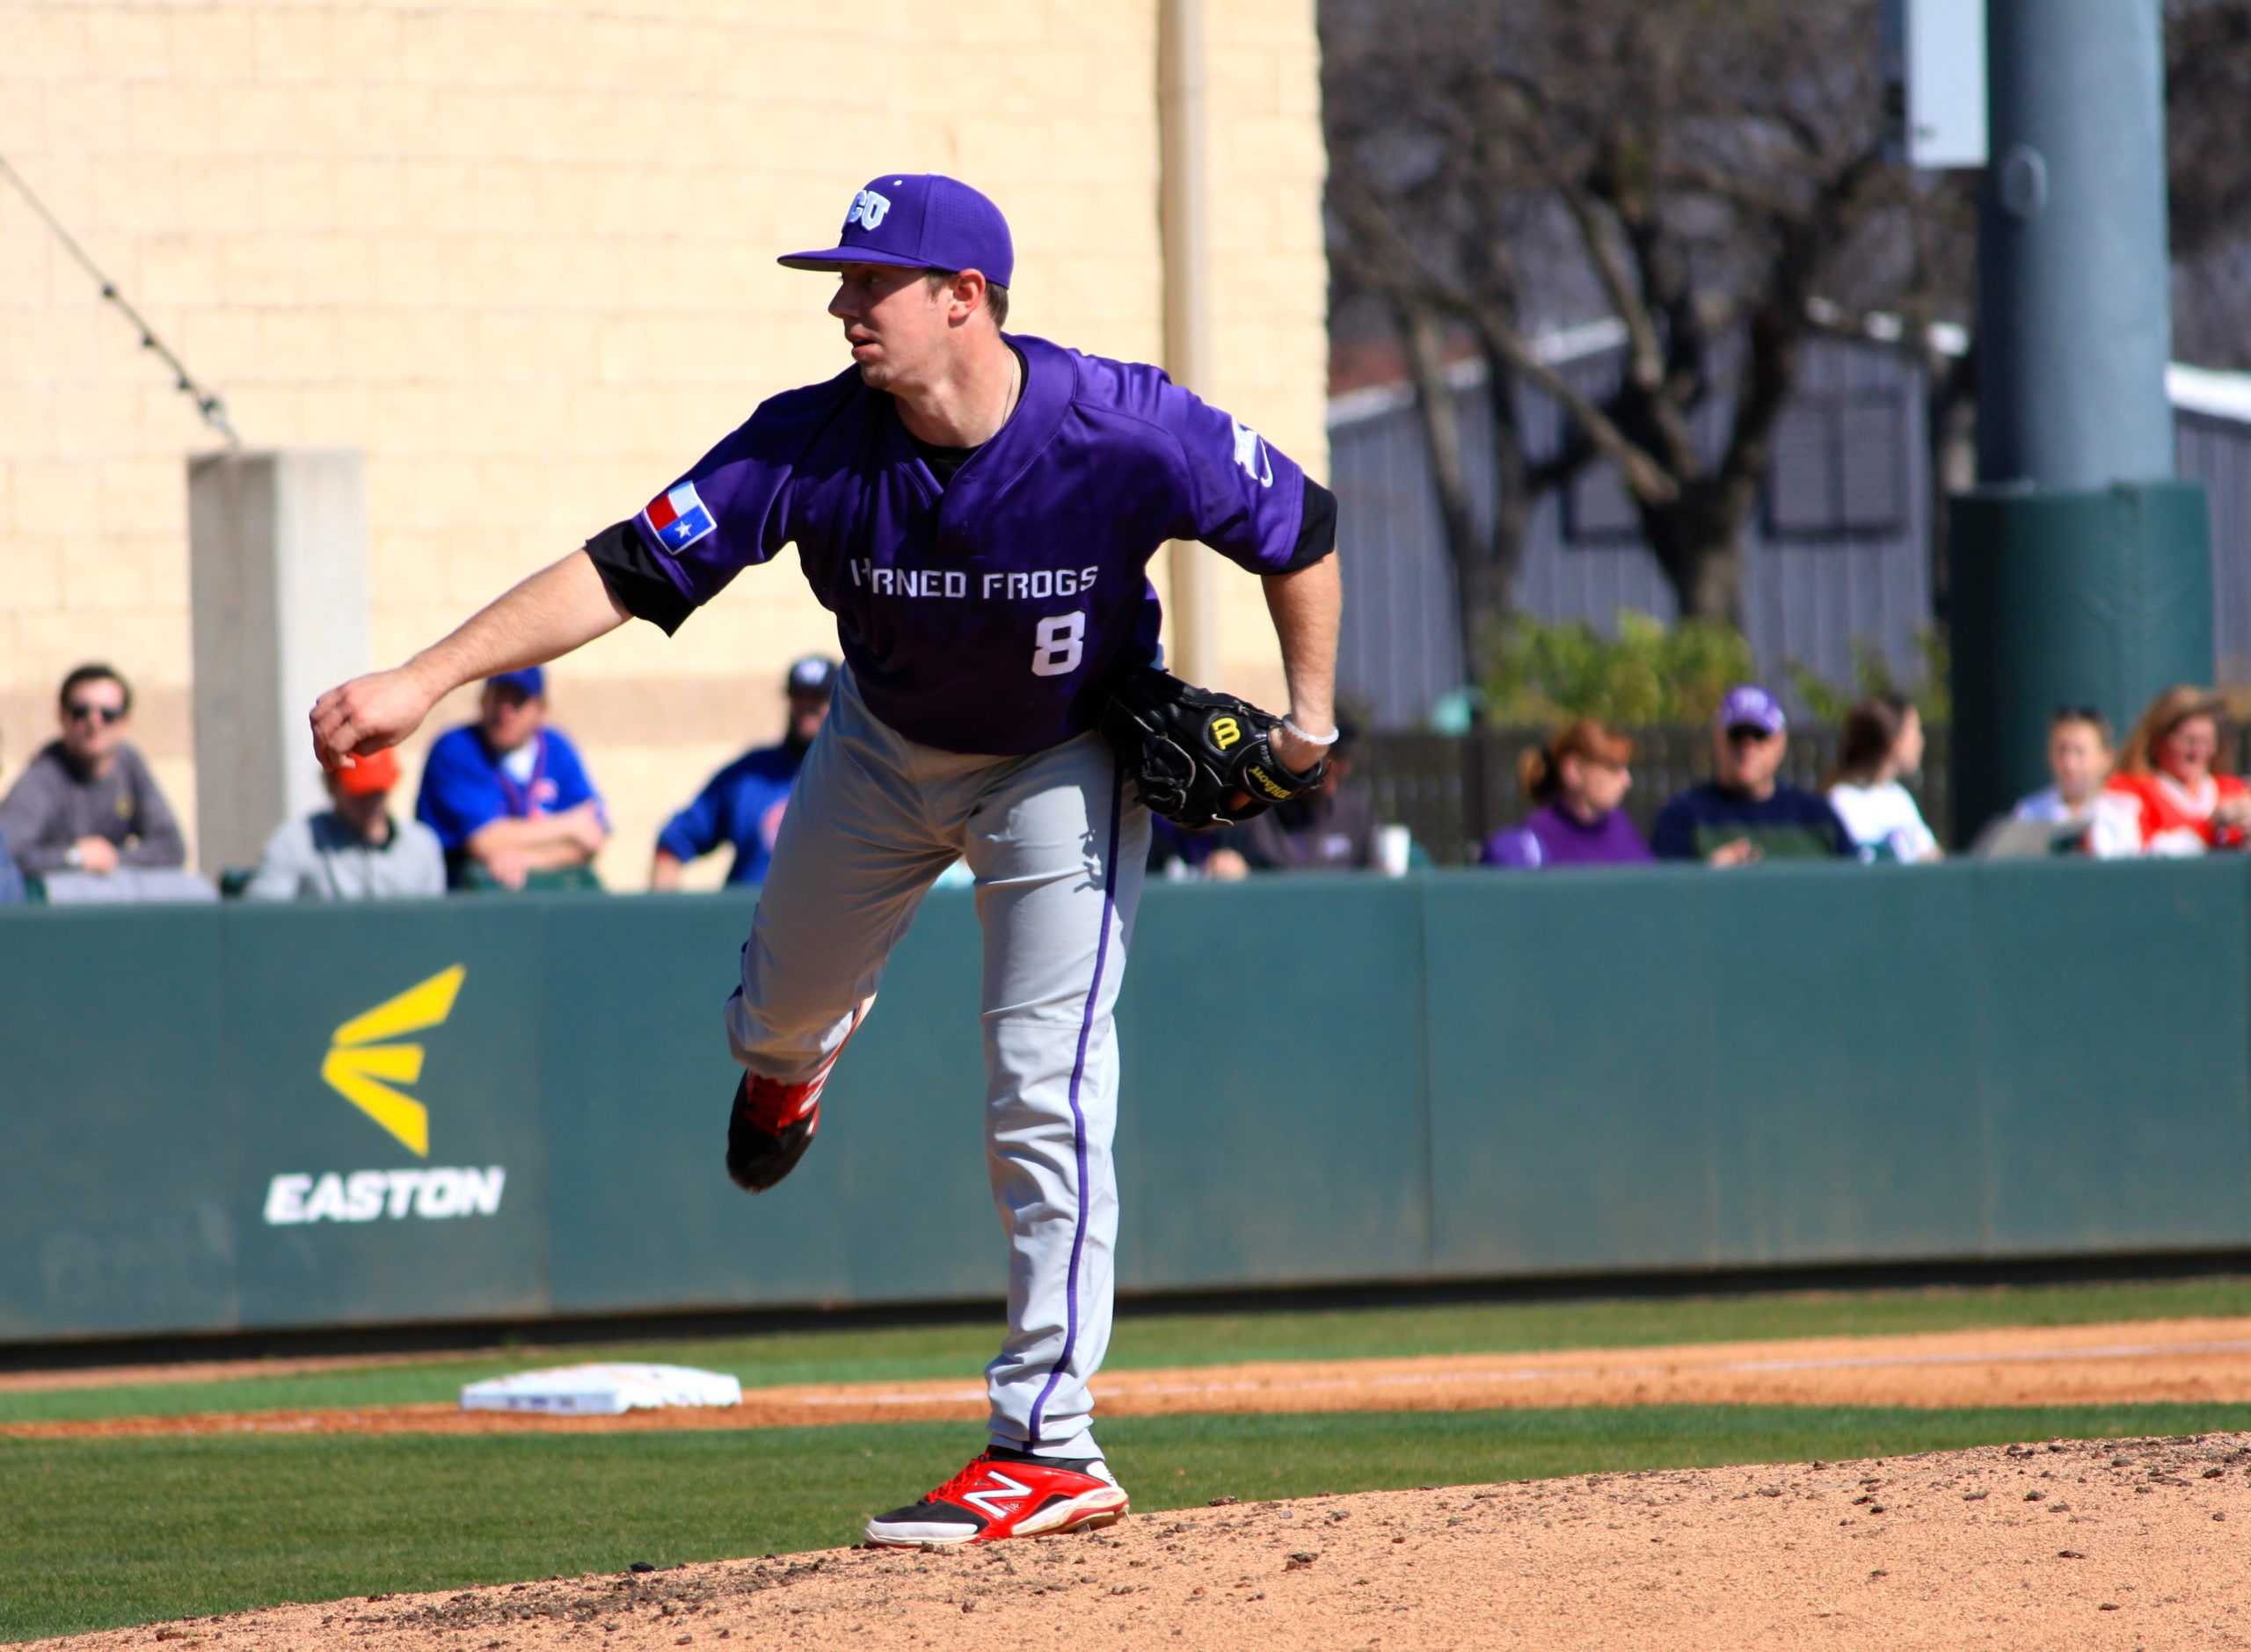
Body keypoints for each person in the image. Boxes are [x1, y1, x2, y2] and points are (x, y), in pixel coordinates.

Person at [307, 172, 1341, 1550]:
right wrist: (425, 678)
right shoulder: (812, 442)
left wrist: (1311, 720)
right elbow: (625, 565)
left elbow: (1303, 525)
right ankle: (796, 1059)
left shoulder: (1120, 424)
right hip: (876, 749)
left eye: (872, 284)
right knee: (775, 1017)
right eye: (842, 283)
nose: (845, 307)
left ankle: (1049, 1441)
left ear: (964, 298)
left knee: (1048, 1086)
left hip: (1060, 764)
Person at [413, 666, 609, 889]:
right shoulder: (457, 747)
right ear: (482, 701)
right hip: (457, 900)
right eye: (498, 697)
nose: (505, 711)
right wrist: (570, 825)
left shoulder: (557, 747)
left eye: (517, 701)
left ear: (541, 710)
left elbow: (592, 837)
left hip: (540, 898)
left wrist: (527, 860)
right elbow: (484, 841)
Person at [651, 656, 836, 890]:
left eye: (818, 698)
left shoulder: (860, 779)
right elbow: (674, 842)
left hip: (834, 922)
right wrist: (667, 921)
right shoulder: (749, 775)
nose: (807, 707)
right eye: (799, 696)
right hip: (748, 920)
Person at [0, 663, 186, 882]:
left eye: (108, 715)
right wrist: (74, 857)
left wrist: (113, 858)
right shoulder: (43, 777)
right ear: (62, 716)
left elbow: (171, 847)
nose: (94, 723)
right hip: (52, 905)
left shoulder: (129, 765)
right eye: (81, 712)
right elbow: (7, 854)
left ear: (125, 723)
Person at [1650, 684, 1854, 863]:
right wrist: (1706, 877)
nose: (1748, 747)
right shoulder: (1682, 818)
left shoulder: (1816, 817)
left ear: (1780, 742)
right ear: (1717, 740)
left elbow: (1852, 885)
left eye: (1759, 735)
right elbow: (1665, 896)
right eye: (1736, 735)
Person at [243, 746, 447, 900]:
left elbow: (433, 929)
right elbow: (261, 918)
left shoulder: (422, 844)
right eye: (361, 792)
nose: (372, 802)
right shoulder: (298, 840)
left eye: (378, 790)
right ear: (332, 785)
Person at [1210, 715, 1374, 874]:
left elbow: (1374, 879)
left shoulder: (1356, 813)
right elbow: (1224, 861)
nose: (1337, 767)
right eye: (1328, 755)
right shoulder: (1254, 810)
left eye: (1343, 758)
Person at [1480, 719, 1652, 870]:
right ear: (1574, 770)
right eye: (1613, 768)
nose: (1627, 780)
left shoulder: (1621, 827)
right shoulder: (1534, 845)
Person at [2102, 686, 2251, 856]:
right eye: (2189, 741)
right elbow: (2137, 854)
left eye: (2207, 741)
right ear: (2158, 740)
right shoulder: (2129, 791)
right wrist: (2209, 826)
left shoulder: (2234, 790)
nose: (2198, 752)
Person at [1825, 693, 1942, 863]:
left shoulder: (1898, 797)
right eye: (1915, 732)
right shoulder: (1840, 801)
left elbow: (1932, 859)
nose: (1920, 741)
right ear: (1894, 742)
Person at [2009, 707, 2139, 857]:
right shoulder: (2028, 814)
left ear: (2106, 758)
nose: (2069, 764)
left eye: (2080, 752)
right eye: (2061, 750)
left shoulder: (2125, 814)